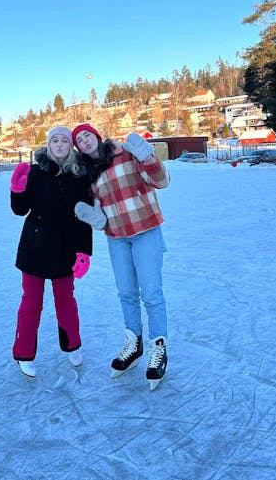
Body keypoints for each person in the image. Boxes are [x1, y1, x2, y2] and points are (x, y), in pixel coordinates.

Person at [72, 123, 170, 390]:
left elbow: (162, 181)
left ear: (96, 136)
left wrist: (149, 159)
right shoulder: (88, 174)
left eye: (86, 135)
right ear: (78, 148)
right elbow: (97, 212)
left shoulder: (125, 153)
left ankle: (158, 348)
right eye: (79, 140)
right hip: (116, 237)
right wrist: (96, 219)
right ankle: (133, 343)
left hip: (146, 229)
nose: (84, 140)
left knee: (151, 293)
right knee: (126, 293)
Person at [10, 126, 93, 378]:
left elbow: (84, 215)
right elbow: (19, 210)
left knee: (66, 301)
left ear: (70, 146)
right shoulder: (35, 172)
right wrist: (17, 189)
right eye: (54, 141)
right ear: (48, 145)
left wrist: (84, 252)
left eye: (64, 141)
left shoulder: (80, 175)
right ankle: (23, 352)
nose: (59, 145)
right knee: (31, 302)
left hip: (66, 247)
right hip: (35, 246)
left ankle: (72, 346)